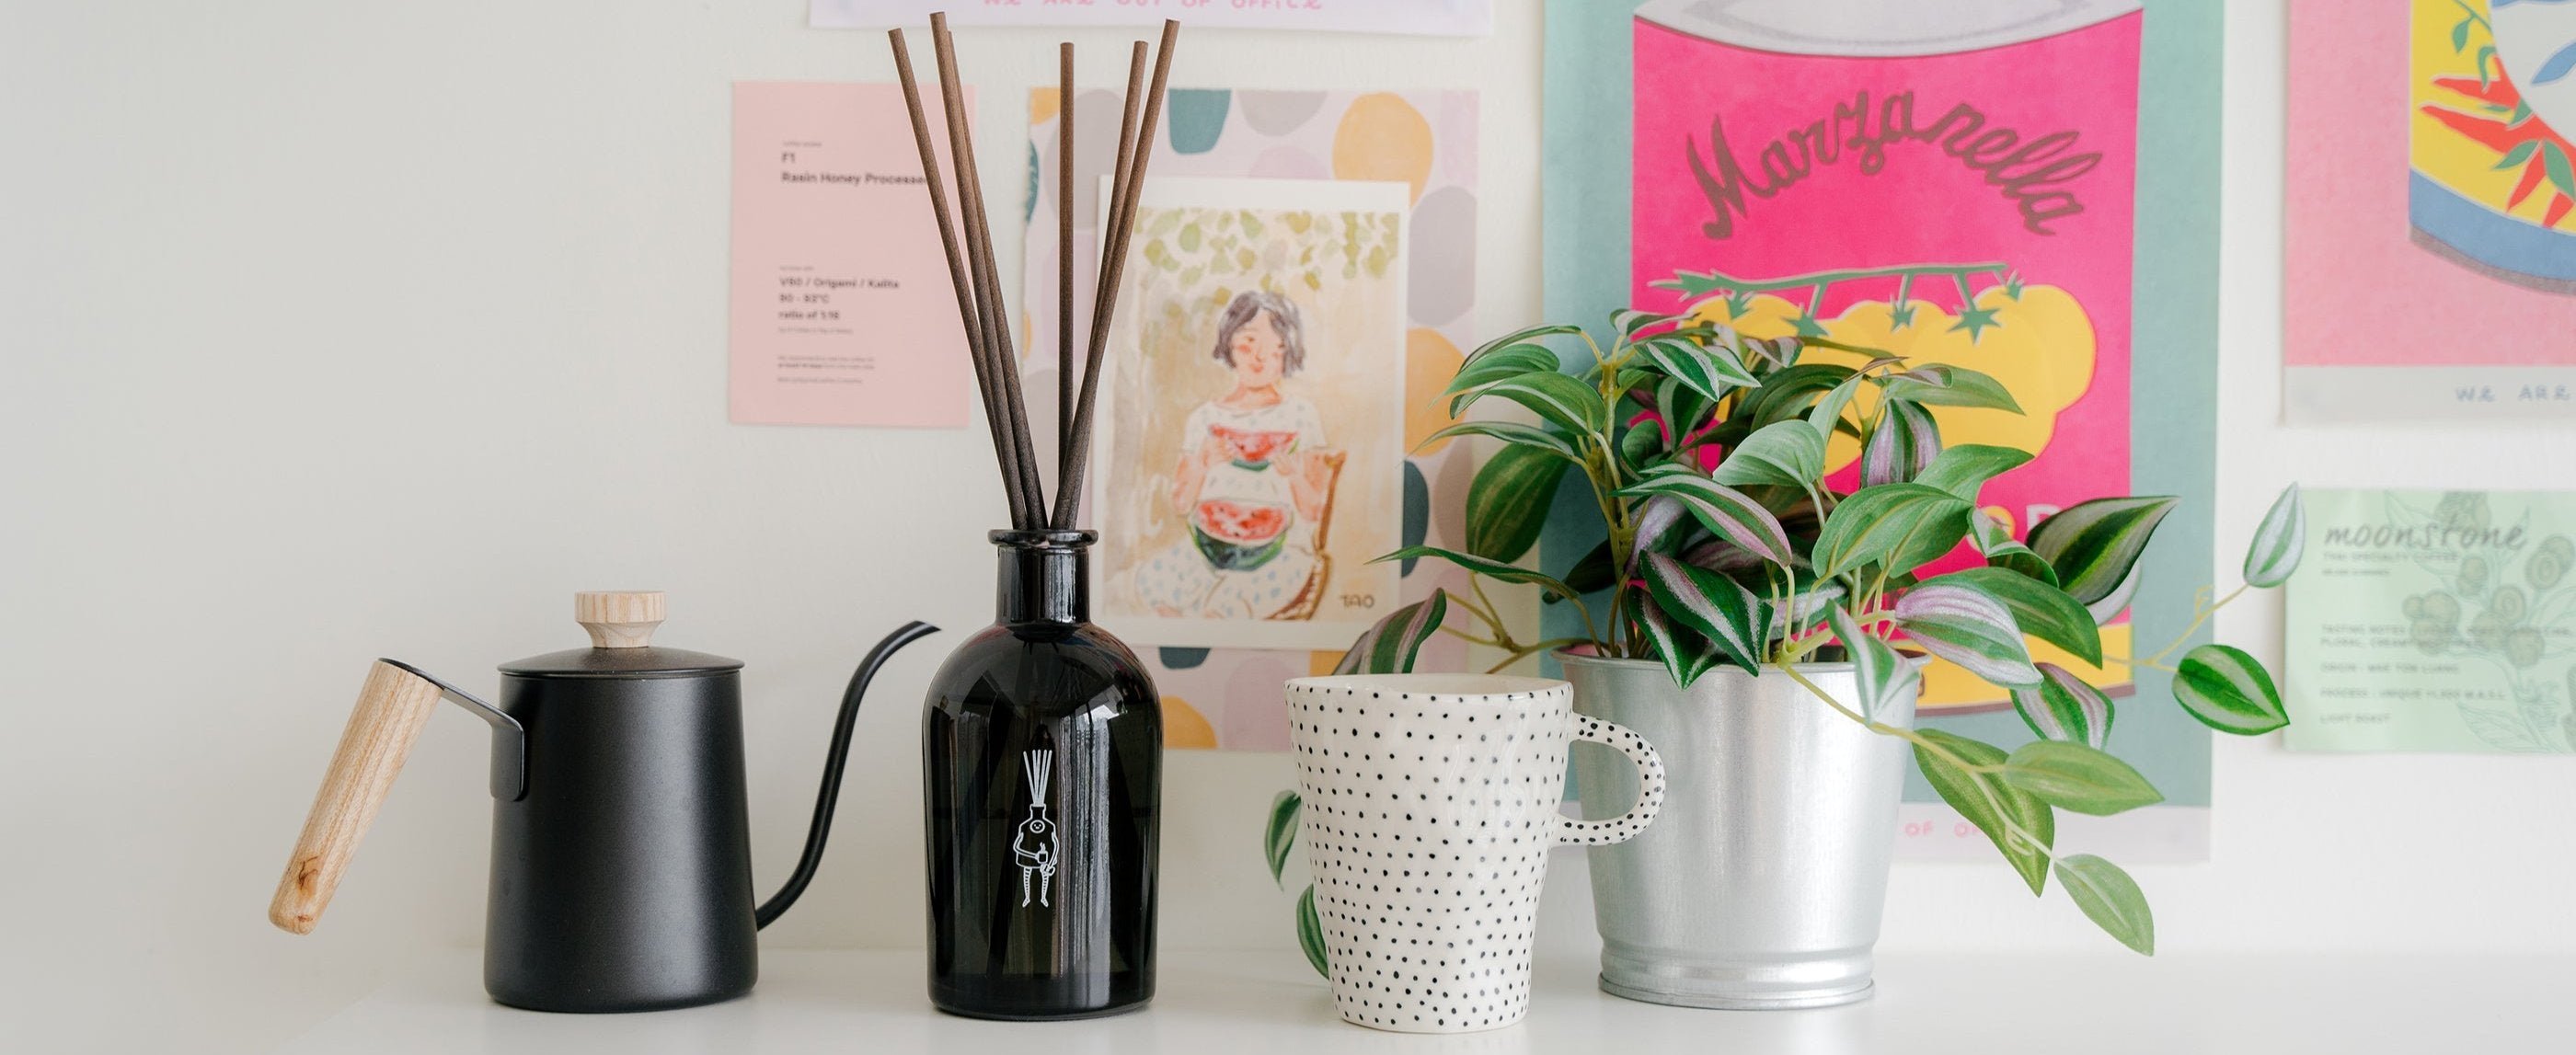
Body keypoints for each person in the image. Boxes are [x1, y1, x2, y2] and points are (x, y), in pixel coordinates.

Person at [1133, 291, 1340, 619]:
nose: (1259, 357)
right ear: (1228, 343)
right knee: (1157, 591)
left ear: (1288, 353)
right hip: (1203, 550)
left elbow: (1314, 510)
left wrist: (1295, 475)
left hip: (1281, 553)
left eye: (1274, 349)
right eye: (1248, 342)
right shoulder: (1204, 419)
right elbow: (1182, 504)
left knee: (1222, 611)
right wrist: (1202, 464)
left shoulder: (1302, 417)